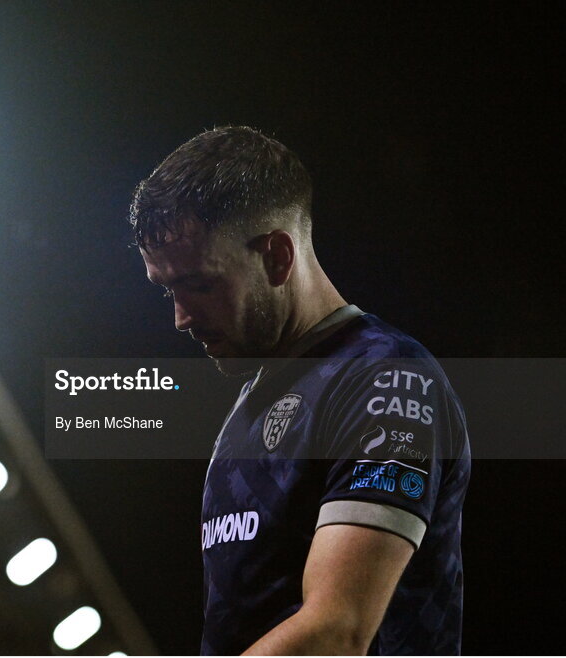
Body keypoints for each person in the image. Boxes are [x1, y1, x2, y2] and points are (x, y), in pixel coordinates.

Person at [128, 126, 470, 655]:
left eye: (199, 283)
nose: (181, 317)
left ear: (277, 258)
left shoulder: (388, 380)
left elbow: (336, 631)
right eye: (168, 289)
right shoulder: (251, 402)